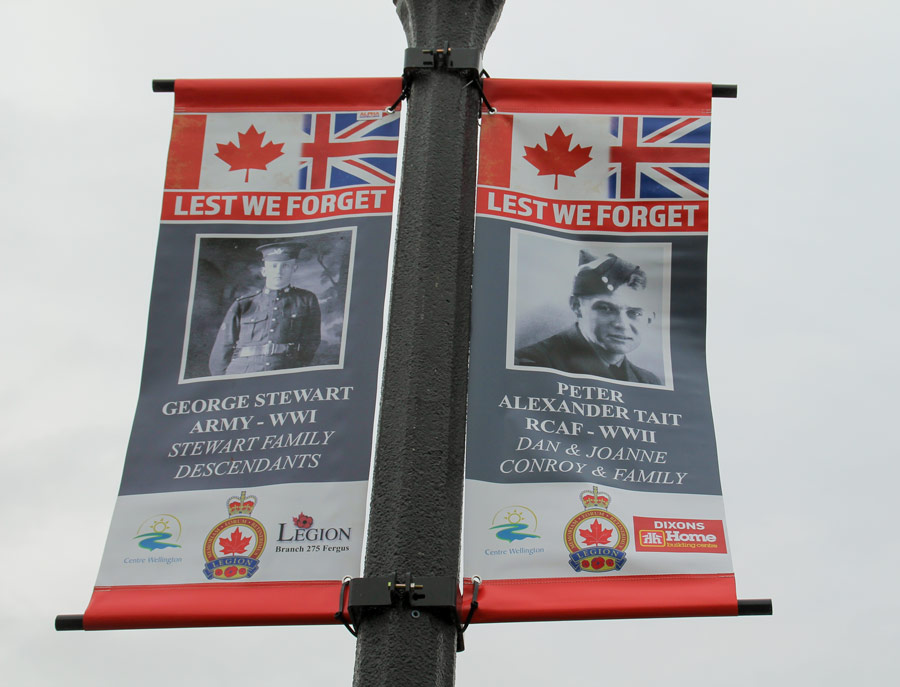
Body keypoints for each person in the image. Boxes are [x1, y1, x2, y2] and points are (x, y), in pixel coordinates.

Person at [515, 251, 661, 385]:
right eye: (606, 309)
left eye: (634, 313)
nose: (622, 324)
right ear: (577, 306)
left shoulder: (648, 381)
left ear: (649, 319)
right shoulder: (531, 364)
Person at [209, 240, 321, 375]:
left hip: (285, 370)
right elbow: (223, 346)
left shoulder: (306, 300)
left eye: (285, 265)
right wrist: (221, 379)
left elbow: (311, 341)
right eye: (273, 266)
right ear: (264, 271)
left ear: (294, 268)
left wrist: (296, 367)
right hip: (242, 371)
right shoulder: (243, 304)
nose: (278, 271)